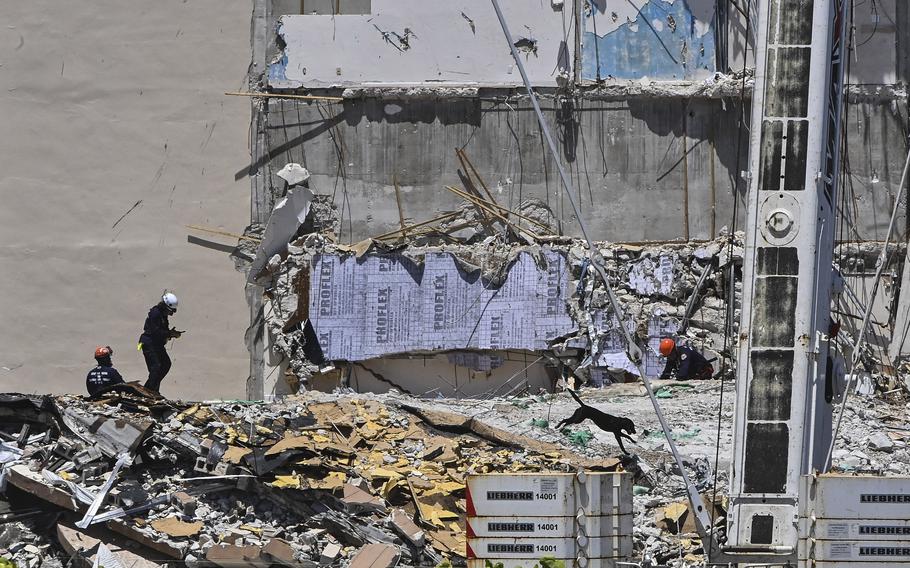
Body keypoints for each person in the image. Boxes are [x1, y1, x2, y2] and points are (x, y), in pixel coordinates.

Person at [138, 292, 183, 393]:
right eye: (170, 311)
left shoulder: (162, 315)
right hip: (149, 343)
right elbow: (155, 331)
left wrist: (170, 334)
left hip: (157, 344)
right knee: (156, 368)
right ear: (165, 306)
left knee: (165, 364)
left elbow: (162, 331)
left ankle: (151, 390)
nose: (171, 314)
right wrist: (170, 334)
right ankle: (148, 391)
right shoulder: (156, 313)